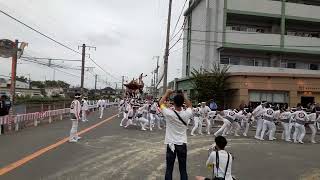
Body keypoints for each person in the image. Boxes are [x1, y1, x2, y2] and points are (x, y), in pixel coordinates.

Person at [159, 89, 193, 180]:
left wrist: (167, 93)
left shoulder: (169, 113)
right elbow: (190, 105)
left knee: (169, 169)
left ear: (173, 103)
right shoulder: (187, 113)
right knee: (183, 169)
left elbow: (161, 103)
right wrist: (183, 95)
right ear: (183, 103)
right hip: (182, 144)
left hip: (171, 144)